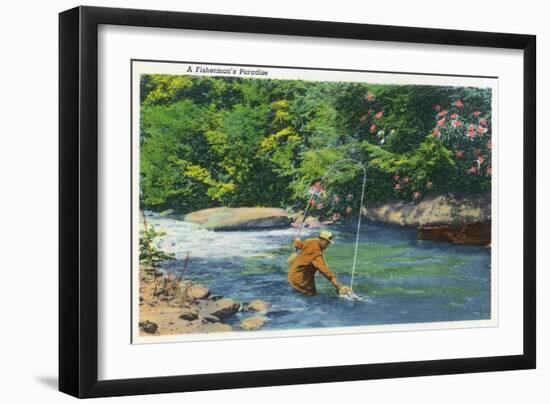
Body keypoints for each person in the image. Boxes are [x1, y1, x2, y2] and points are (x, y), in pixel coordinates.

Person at [288, 230, 350, 296]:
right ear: (322, 240)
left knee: (312, 293)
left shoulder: (310, 241)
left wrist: (296, 242)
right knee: (312, 295)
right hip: (299, 279)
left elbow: (301, 245)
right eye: (327, 243)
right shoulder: (316, 253)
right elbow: (323, 269)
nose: (327, 245)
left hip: (293, 275)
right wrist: (336, 282)